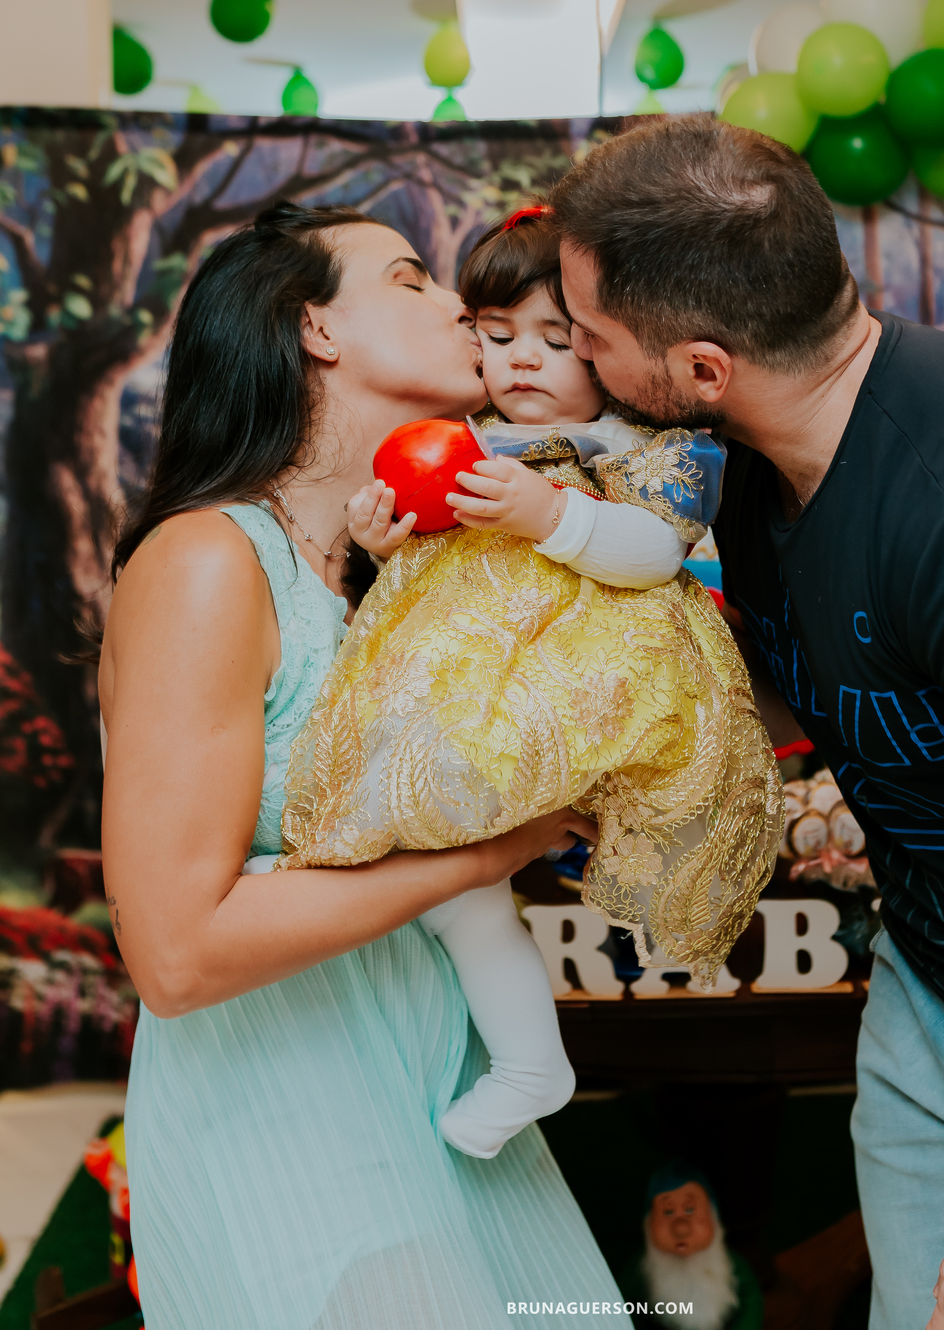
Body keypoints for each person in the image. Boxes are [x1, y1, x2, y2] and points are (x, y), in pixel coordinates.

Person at [550, 115, 944, 1330]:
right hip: (931, 995)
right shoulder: (750, 458)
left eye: (589, 335)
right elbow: (844, 681)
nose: (573, 355)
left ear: (702, 364)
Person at [100, 202, 620, 1330]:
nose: (456, 307)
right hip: (289, 1114)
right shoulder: (206, 560)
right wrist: (492, 850)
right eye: (410, 277)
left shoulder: (393, 573)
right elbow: (177, 952)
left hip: (433, 1085)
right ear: (314, 329)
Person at [280, 205, 782, 1159]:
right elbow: (428, 574)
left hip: (593, 700)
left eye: (558, 340)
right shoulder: (452, 437)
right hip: (478, 695)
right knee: (446, 891)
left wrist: (551, 511)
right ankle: (527, 1061)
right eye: (496, 334)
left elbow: (652, 555)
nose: (521, 361)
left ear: (609, 350)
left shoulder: (643, 449)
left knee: (449, 873)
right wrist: (384, 545)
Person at [619, 1161, 762, 1330]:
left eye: (689, 1210)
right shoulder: (640, 1271)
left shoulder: (732, 1266)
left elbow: (752, 1307)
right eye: (668, 1212)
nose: (681, 1228)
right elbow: (621, 1307)